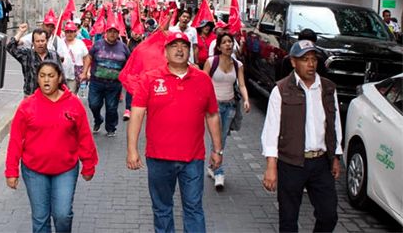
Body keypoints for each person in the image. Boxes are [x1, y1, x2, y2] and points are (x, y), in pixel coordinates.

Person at [127, 31, 223, 233]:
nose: (179, 50)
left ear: (190, 50)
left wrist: (217, 149)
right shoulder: (150, 79)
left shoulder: (203, 79)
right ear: (165, 51)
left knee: (194, 209)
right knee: (162, 209)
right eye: (174, 46)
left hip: (193, 158)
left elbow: (212, 115)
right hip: (159, 157)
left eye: (184, 46)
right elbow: (137, 113)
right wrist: (132, 149)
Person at [5, 61, 98, 233]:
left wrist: (88, 164)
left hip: (66, 169)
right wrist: (11, 171)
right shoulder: (27, 106)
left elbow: (84, 136)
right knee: (40, 218)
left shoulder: (73, 104)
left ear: (60, 78)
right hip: (34, 170)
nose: (46, 80)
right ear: (38, 79)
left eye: (51, 76)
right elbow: (16, 140)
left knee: (63, 215)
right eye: (42, 76)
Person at [261, 39, 342, 233]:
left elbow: (335, 124)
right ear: (293, 62)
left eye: (314, 59)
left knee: (328, 215)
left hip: (320, 163)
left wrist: (336, 157)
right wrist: (271, 167)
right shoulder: (280, 90)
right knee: (288, 221)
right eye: (305, 59)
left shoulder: (328, 88)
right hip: (290, 163)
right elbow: (271, 130)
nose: (311, 64)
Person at [203, 32, 251, 190]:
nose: (228, 45)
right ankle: (219, 171)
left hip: (230, 106)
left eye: (230, 42)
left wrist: (246, 100)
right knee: (219, 138)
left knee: (221, 138)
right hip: (213, 107)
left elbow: (242, 84)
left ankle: (212, 165)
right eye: (224, 42)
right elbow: (202, 82)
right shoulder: (211, 62)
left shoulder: (238, 65)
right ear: (218, 46)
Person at [80, 21, 130, 137]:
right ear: (106, 33)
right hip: (96, 82)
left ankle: (111, 128)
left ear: (118, 34)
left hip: (114, 84)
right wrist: (84, 72)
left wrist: (128, 76)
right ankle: (98, 119)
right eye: (110, 31)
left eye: (115, 32)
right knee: (93, 104)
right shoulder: (97, 45)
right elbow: (89, 57)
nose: (112, 34)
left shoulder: (123, 47)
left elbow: (129, 62)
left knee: (111, 107)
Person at [7, 23, 64, 97]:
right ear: (33, 43)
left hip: (50, 96)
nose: (40, 43)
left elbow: (61, 75)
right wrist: (20, 32)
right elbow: (10, 47)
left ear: (46, 41)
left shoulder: (54, 55)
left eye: (42, 41)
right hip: (31, 96)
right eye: (37, 41)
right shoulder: (26, 55)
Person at [62, 21, 89, 93]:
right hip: (62, 76)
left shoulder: (80, 43)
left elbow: (87, 58)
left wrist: (85, 72)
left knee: (71, 97)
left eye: (71, 31)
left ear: (75, 32)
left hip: (75, 76)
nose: (69, 34)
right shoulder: (60, 43)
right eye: (67, 31)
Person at [123, 30, 144, 121]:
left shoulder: (144, 43)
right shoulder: (127, 43)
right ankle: (128, 109)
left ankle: (139, 108)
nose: (137, 35)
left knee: (140, 90)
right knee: (129, 89)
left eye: (139, 33)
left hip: (142, 70)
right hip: (131, 70)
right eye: (135, 32)